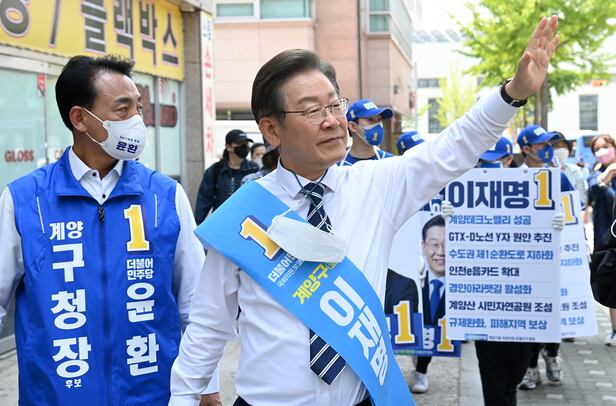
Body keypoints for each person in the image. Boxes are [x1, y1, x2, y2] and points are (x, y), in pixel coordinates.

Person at [170, 16, 560, 406]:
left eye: (334, 105)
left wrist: (512, 93)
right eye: (311, 111)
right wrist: (186, 396)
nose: (332, 121)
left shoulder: (376, 185)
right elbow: (208, 325)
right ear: (271, 130)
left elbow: (453, 147)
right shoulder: (242, 216)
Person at [0, 55, 219, 405]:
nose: (137, 120)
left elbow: (195, 301)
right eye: (122, 109)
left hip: (152, 395)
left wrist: (206, 384)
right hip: (56, 395)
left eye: (139, 107)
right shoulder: (26, 200)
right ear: (80, 119)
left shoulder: (164, 196)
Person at [473, 137, 534, 406]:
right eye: (482, 161)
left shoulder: (530, 189)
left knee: (516, 367)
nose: (487, 166)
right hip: (483, 297)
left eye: (494, 160)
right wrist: (449, 216)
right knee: (490, 367)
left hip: (520, 298)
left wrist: (554, 226)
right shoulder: (467, 191)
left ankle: (509, 393)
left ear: (508, 160)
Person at [517, 124, 574, 390]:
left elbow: (573, 213)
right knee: (530, 313)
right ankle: (530, 368)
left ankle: (551, 355)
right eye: (541, 144)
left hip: (555, 257)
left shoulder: (559, 177)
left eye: (548, 143)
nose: (547, 148)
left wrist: (564, 223)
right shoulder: (513, 178)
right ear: (526, 149)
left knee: (553, 313)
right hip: (525, 259)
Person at [587, 134, 616, 345]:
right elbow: (594, 192)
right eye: (597, 149)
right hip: (608, 239)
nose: (602, 151)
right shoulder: (596, 173)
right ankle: (615, 329)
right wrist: (607, 175)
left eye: (605, 146)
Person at [412, 215, 446, 394]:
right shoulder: (412, 278)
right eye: (434, 244)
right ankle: (419, 365)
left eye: (447, 244)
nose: (441, 251)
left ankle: (421, 368)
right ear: (423, 245)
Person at [194, 130, 259, 223]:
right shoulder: (215, 170)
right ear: (229, 147)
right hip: (221, 222)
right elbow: (204, 201)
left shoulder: (254, 169)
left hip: (247, 222)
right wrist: (197, 224)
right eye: (240, 144)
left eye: (246, 144)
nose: (244, 147)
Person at [339, 99, 394, 165]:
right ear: (352, 126)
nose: (377, 125)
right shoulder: (338, 166)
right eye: (370, 120)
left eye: (379, 120)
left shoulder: (390, 162)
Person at [551, 131, 588, 205]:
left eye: (564, 146)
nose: (561, 150)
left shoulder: (575, 171)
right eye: (556, 146)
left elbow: (582, 198)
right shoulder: (542, 170)